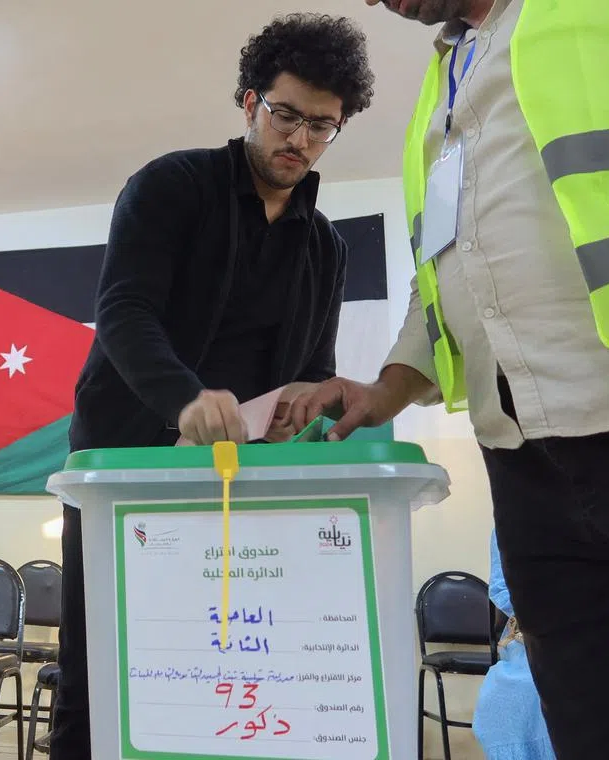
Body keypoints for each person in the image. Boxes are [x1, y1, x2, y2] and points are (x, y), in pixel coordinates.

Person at [288, 1, 609, 757]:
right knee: (600, 728)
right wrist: (385, 388)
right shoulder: (440, 92)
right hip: (526, 463)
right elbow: (444, 288)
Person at [52, 13, 376, 759]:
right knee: (100, 664)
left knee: (229, 664)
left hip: (241, 476)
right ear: (248, 101)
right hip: (126, 461)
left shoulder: (325, 246)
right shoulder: (173, 185)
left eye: (322, 126)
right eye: (285, 114)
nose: (298, 139)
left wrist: (308, 401)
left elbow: (313, 365)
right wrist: (186, 397)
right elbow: (124, 311)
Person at [472, 529, 555, 760]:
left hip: (593, 636)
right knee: (506, 695)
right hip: (530, 636)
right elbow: (501, 587)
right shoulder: (509, 522)